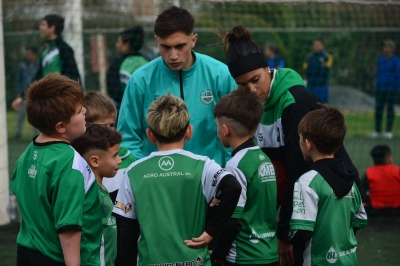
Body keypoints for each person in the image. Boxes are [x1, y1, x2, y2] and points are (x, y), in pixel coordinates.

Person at [220, 25, 363, 266]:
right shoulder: (255, 105)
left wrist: (285, 235)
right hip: (304, 202)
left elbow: (299, 171)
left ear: (268, 68)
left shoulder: (295, 103)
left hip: (330, 199)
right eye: (243, 85)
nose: (252, 90)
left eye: (256, 80)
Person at [113, 93, 241, 266]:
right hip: (195, 261)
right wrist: (212, 232)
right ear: (189, 132)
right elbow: (233, 187)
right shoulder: (204, 166)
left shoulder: (133, 171)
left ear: (150, 135)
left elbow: (126, 232)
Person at [117, 6, 236, 166]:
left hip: (209, 180)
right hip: (155, 180)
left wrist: (227, 174)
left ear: (193, 40)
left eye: (180, 46)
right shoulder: (140, 80)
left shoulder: (220, 75)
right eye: (165, 47)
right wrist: (141, 176)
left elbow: (235, 134)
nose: (173, 56)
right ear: (157, 41)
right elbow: (128, 137)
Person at [10, 74, 102, 266]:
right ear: (60, 127)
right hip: (60, 258)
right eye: (78, 111)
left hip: (26, 253)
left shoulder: (27, 154)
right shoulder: (69, 161)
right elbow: (69, 226)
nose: (85, 111)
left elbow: (17, 194)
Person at [289, 104, 367, 265]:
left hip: (318, 261)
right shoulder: (350, 178)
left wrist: (284, 236)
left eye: (300, 138)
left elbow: (302, 230)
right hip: (348, 260)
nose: (299, 142)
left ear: (308, 143)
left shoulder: (307, 181)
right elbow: (360, 218)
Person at [211, 88, 279, 266]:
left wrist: (218, 254)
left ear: (225, 130)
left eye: (217, 125)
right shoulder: (264, 158)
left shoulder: (235, 166)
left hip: (244, 256)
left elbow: (232, 221)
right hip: (269, 253)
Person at [71, 124, 123, 266]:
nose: (119, 160)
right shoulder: (89, 194)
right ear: (94, 161)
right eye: (114, 156)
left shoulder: (101, 188)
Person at [12, 14, 81, 108]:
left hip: (60, 99)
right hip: (47, 98)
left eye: (43, 25)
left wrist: (78, 97)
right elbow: (38, 76)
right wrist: (22, 96)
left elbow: (73, 74)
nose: (40, 27)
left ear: (52, 28)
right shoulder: (46, 51)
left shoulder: (64, 49)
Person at [83, 91, 136, 203]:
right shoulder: (80, 158)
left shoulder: (127, 157)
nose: (108, 131)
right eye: (102, 127)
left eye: (112, 125)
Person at [106, 26, 148, 109]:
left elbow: (113, 91)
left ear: (127, 45)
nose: (116, 45)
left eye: (119, 42)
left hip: (123, 109)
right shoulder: (147, 63)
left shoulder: (117, 64)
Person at [369, 40, 400, 140]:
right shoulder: (380, 60)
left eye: (388, 47)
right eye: (384, 47)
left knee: (390, 109)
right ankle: (377, 131)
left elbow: (398, 75)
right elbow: (377, 72)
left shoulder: (395, 61)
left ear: (391, 48)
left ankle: (388, 131)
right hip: (380, 88)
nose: (386, 48)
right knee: (378, 109)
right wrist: (375, 83)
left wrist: (395, 87)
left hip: (391, 89)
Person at [362, 145, 400, 215]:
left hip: (374, 213)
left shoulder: (369, 172)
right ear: (389, 157)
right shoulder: (397, 171)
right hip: (396, 211)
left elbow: (361, 193)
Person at [12, 46, 40, 139]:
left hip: (36, 95)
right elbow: (18, 80)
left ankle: (36, 134)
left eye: (30, 54)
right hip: (23, 94)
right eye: (27, 54)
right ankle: (18, 132)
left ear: (35, 54)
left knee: (36, 114)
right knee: (21, 114)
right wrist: (20, 93)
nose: (28, 56)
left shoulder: (39, 65)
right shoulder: (23, 65)